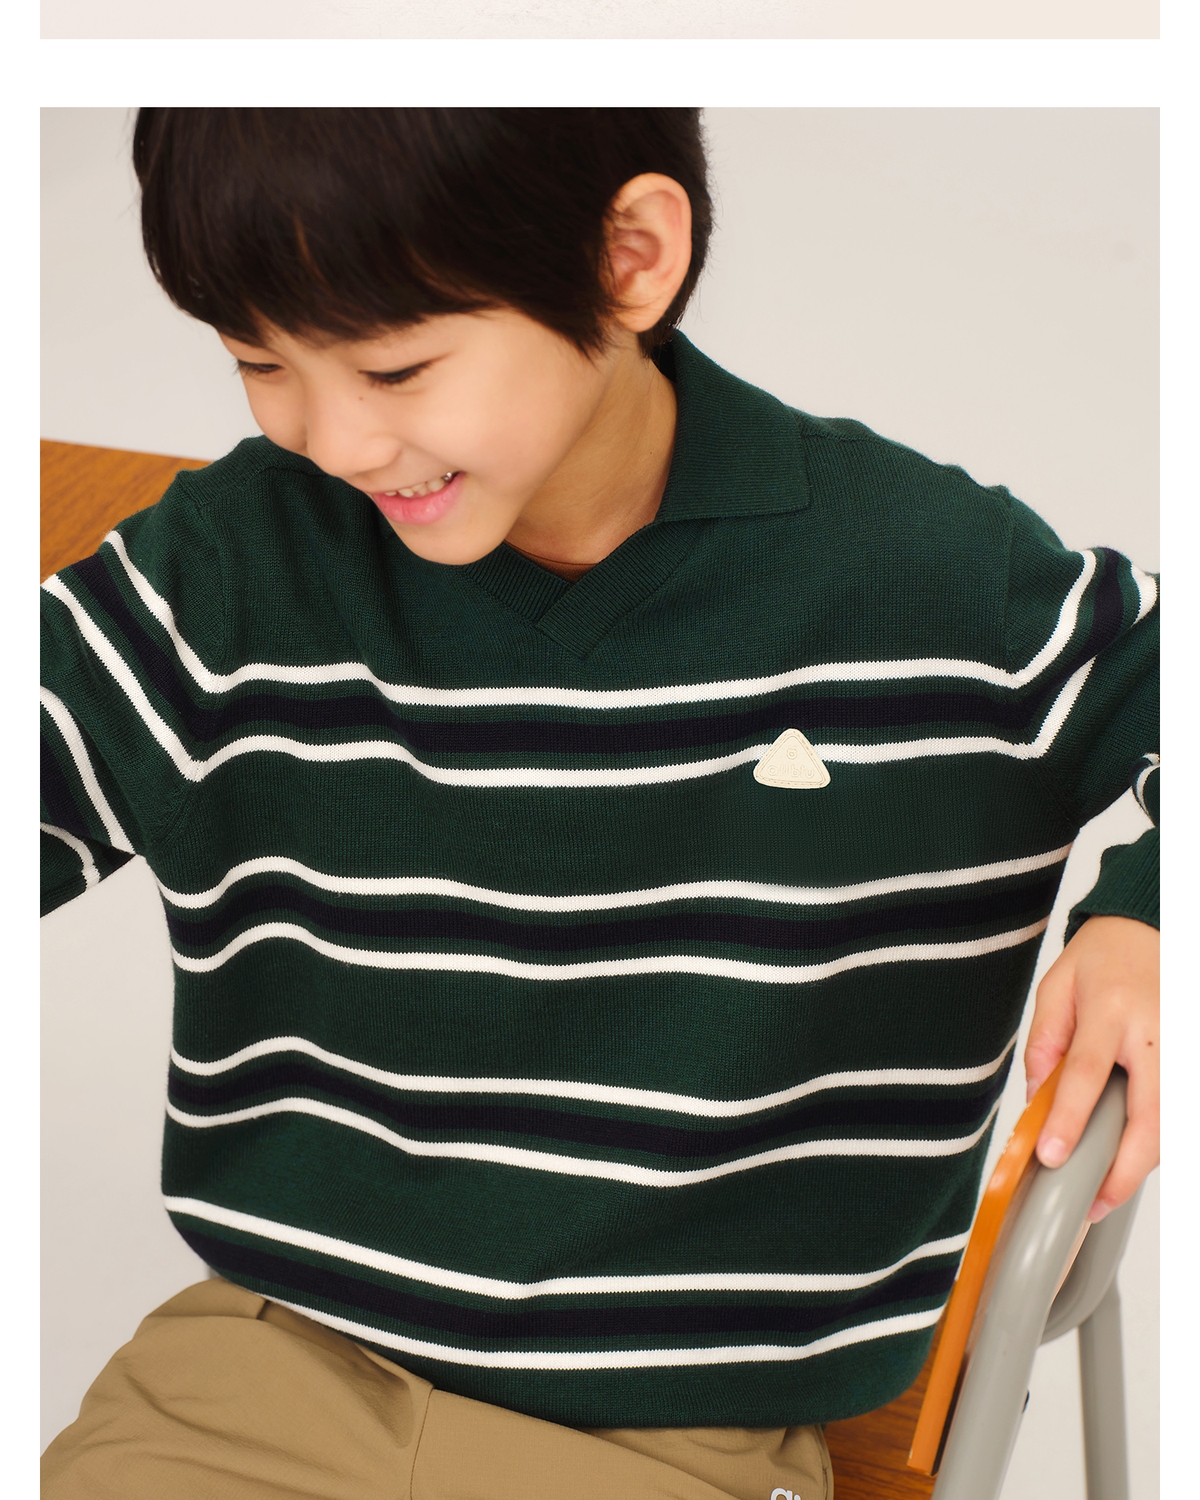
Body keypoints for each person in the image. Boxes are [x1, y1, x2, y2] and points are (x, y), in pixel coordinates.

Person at [40, 108, 1158, 1500]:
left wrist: (1148, 919)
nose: (329, 438)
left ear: (631, 257)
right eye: (258, 361)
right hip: (255, 1372)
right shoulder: (229, 560)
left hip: (672, 1436)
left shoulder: (922, 579)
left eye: (396, 367)